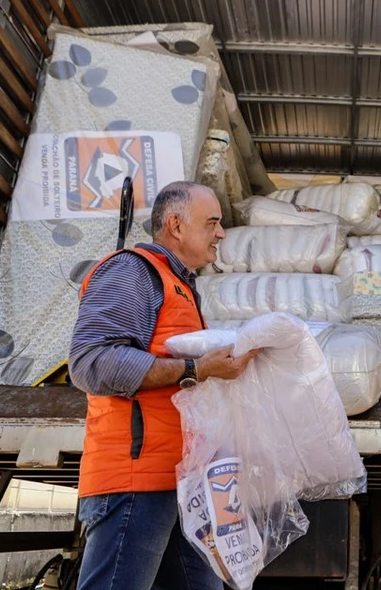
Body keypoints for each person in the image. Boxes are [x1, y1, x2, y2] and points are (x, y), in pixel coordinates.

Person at [68, 181, 259, 590]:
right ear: (175, 225)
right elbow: (90, 363)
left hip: (178, 481)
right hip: (135, 481)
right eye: (212, 223)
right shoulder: (132, 271)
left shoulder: (182, 286)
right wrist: (195, 368)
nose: (221, 233)